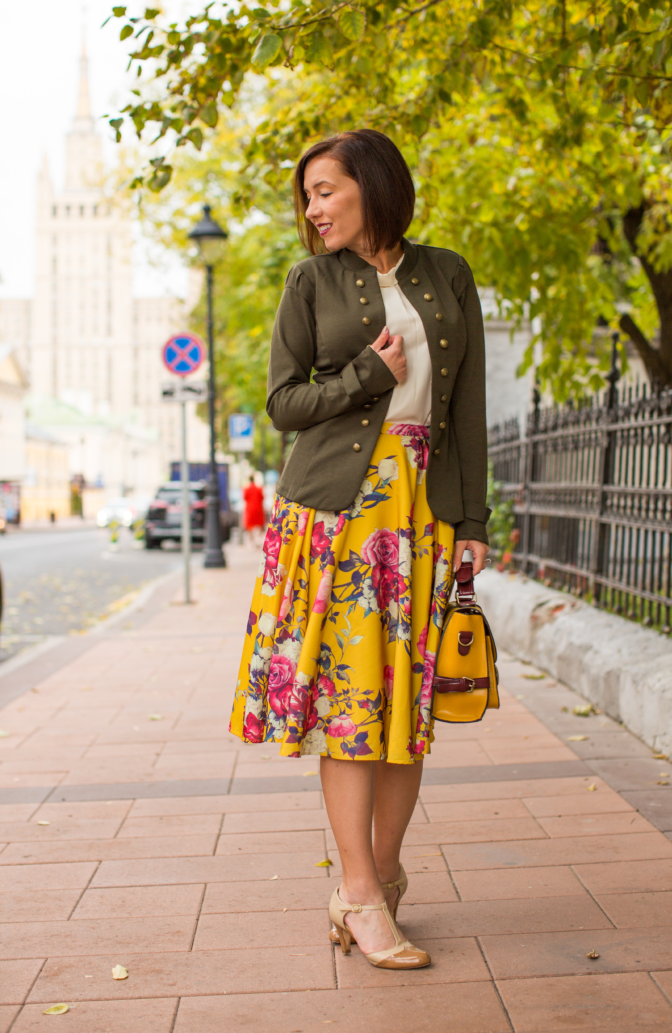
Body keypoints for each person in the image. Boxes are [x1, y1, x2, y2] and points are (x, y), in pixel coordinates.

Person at [230, 129, 489, 970]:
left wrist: (473, 521)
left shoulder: (446, 273)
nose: (312, 209)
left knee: (406, 712)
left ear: (372, 187)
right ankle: (363, 892)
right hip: (339, 517)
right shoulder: (309, 282)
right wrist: (365, 380)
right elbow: (283, 402)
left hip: (423, 512)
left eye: (325, 190)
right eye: (306, 195)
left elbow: (470, 409)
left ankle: (374, 875)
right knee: (352, 709)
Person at [242, 474, 265, 545]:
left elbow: (244, 498)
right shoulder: (259, 488)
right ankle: (258, 539)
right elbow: (262, 497)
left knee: (250, 526)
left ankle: (252, 540)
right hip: (258, 508)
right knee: (259, 524)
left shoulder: (246, 489)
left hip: (250, 508)